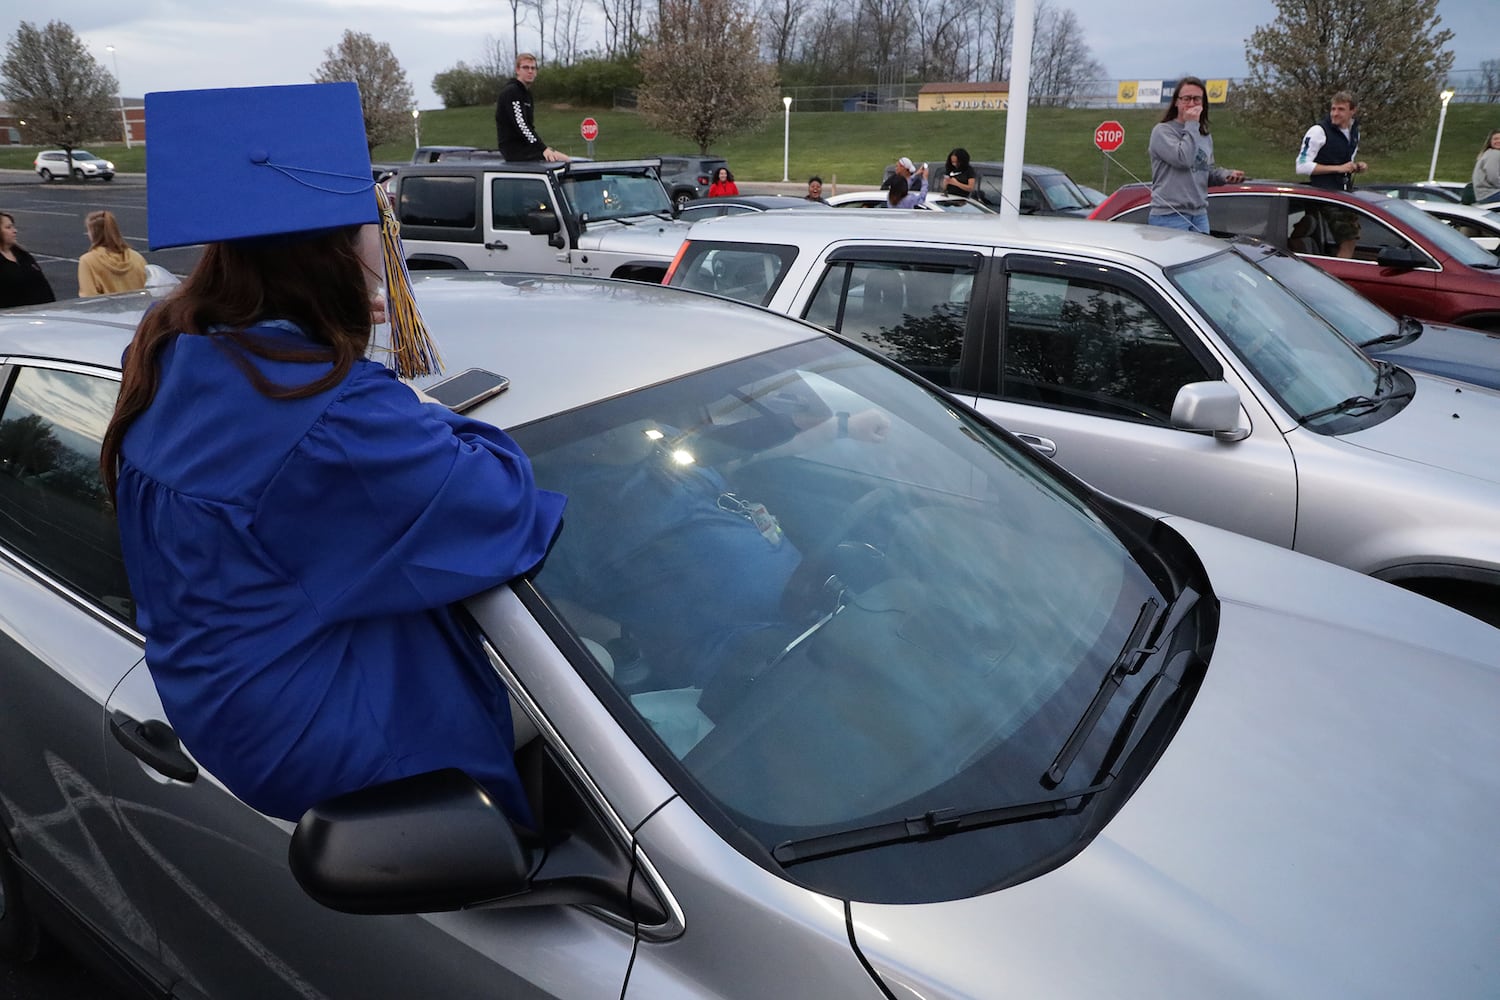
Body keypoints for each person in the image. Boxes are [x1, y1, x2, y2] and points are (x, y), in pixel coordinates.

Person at [101, 82, 566, 826]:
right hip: (320, 735)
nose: (388, 239)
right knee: (603, 711)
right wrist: (415, 405)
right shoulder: (328, 416)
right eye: (375, 218)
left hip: (216, 698)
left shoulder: (175, 352)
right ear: (334, 250)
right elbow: (502, 504)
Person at [1146, 76, 1244, 233]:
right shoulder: (1163, 131)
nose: (1191, 104)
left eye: (1197, 99)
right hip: (1170, 216)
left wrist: (1225, 175)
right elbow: (1183, 159)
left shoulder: (1204, 136)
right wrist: (1191, 124)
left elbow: (1203, 170)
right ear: (1176, 102)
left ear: (1203, 103)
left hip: (1199, 215)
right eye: (1186, 99)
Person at [495, 53, 569, 163]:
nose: (530, 71)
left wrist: (542, 147)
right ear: (517, 70)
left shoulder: (526, 94)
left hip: (527, 146)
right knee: (563, 161)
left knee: (565, 159)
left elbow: (529, 126)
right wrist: (542, 149)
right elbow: (521, 125)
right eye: (525, 67)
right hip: (514, 150)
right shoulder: (512, 92)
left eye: (533, 68)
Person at [1296, 91, 1367, 191]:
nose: (1335, 114)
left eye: (1341, 109)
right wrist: (1338, 168)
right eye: (1333, 109)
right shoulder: (1318, 131)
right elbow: (1301, 166)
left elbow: (1346, 164)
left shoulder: (1355, 133)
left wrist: (1356, 167)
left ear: (1353, 111)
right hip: (1322, 196)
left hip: (1344, 194)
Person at [78, 210, 148, 297]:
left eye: (88, 231)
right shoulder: (137, 258)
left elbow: (88, 296)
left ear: (93, 233)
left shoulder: (88, 261)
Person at [0, 211, 56, 307]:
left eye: (13, 226)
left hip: (41, 314)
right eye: (8, 227)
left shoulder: (22, 254)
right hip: (13, 318)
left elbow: (43, 285)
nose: (15, 231)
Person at [1473, 129, 1500, 203]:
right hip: (1490, 194)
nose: (1498, 141)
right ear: (1490, 141)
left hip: (1482, 195)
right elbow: (1493, 177)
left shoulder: (1487, 153)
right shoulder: (1495, 154)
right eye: (1495, 139)